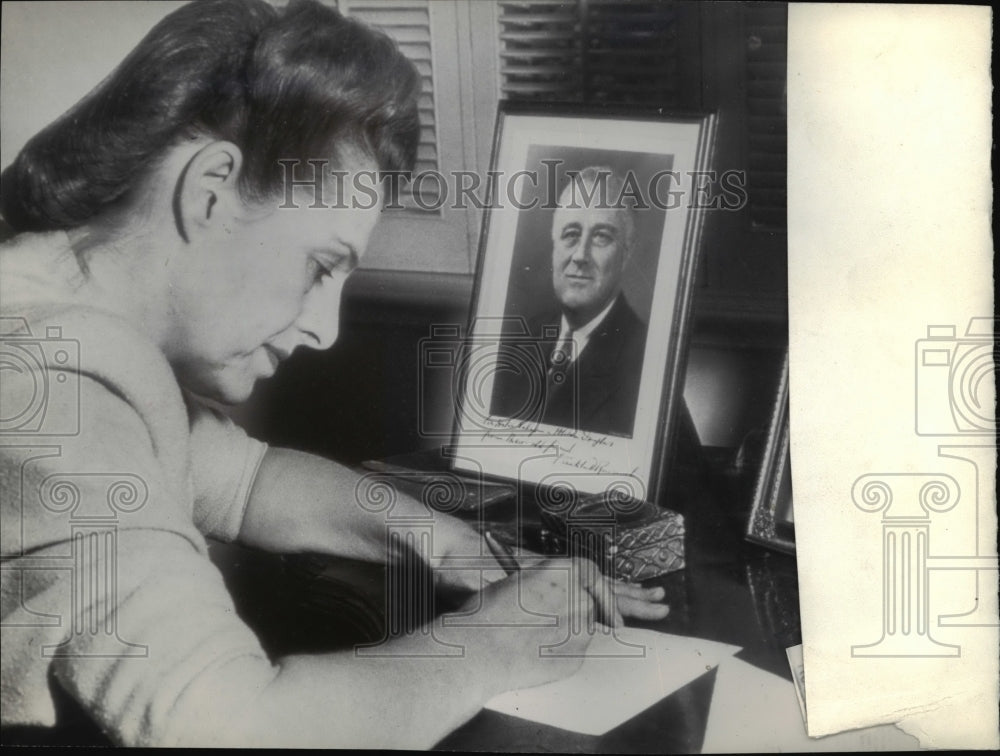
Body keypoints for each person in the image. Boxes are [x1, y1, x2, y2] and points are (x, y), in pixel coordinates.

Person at [0, 0, 668, 748]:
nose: (326, 328)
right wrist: (497, 640)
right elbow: (232, 730)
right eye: (321, 266)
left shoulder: (58, 320)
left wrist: (453, 548)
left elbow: (247, 481)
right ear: (210, 190)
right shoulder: (45, 388)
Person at [491, 166, 647, 437]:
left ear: (627, 252)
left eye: (601, 237)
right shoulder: (520, 340)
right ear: (554, 244)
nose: (579, 255)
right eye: (571, 234)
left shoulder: (645, 360)